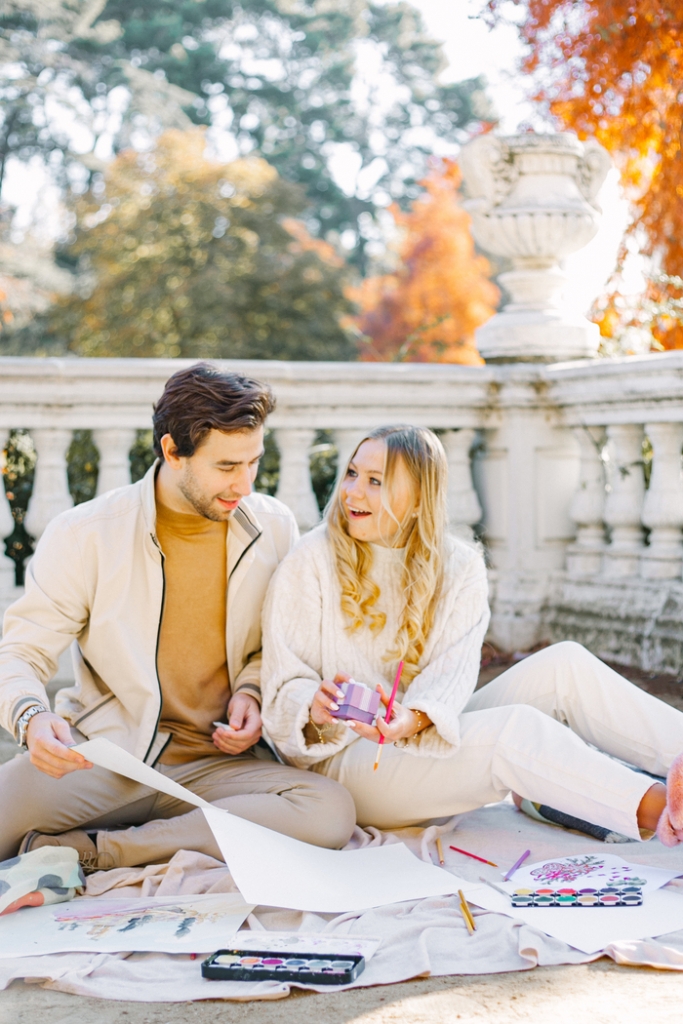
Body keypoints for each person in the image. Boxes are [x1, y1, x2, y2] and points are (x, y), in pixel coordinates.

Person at [0, 363, 355, 868]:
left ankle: (100, 851)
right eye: (226, 467)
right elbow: (20, 651)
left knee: (329, 812)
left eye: (253, 463)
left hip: (218, 767)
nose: (244, 484)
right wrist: (32, 717)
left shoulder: (274, 527)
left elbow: (275, 647)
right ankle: (180, 834)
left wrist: (252, 693)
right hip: (104, 758)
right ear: (172, 452)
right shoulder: (85, 534)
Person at [261, 425, 683, 847]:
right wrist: (313, 706)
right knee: (512, 732)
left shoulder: (460, 567)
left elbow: (451, 680)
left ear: (418, 499)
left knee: (564, 665)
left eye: (376, 481)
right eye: (352, 473)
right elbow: (282, 689)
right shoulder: (310, 561)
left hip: (421, 740)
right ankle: (669, 814)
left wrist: (412, 720)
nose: (352, 492)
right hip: (343, 766)